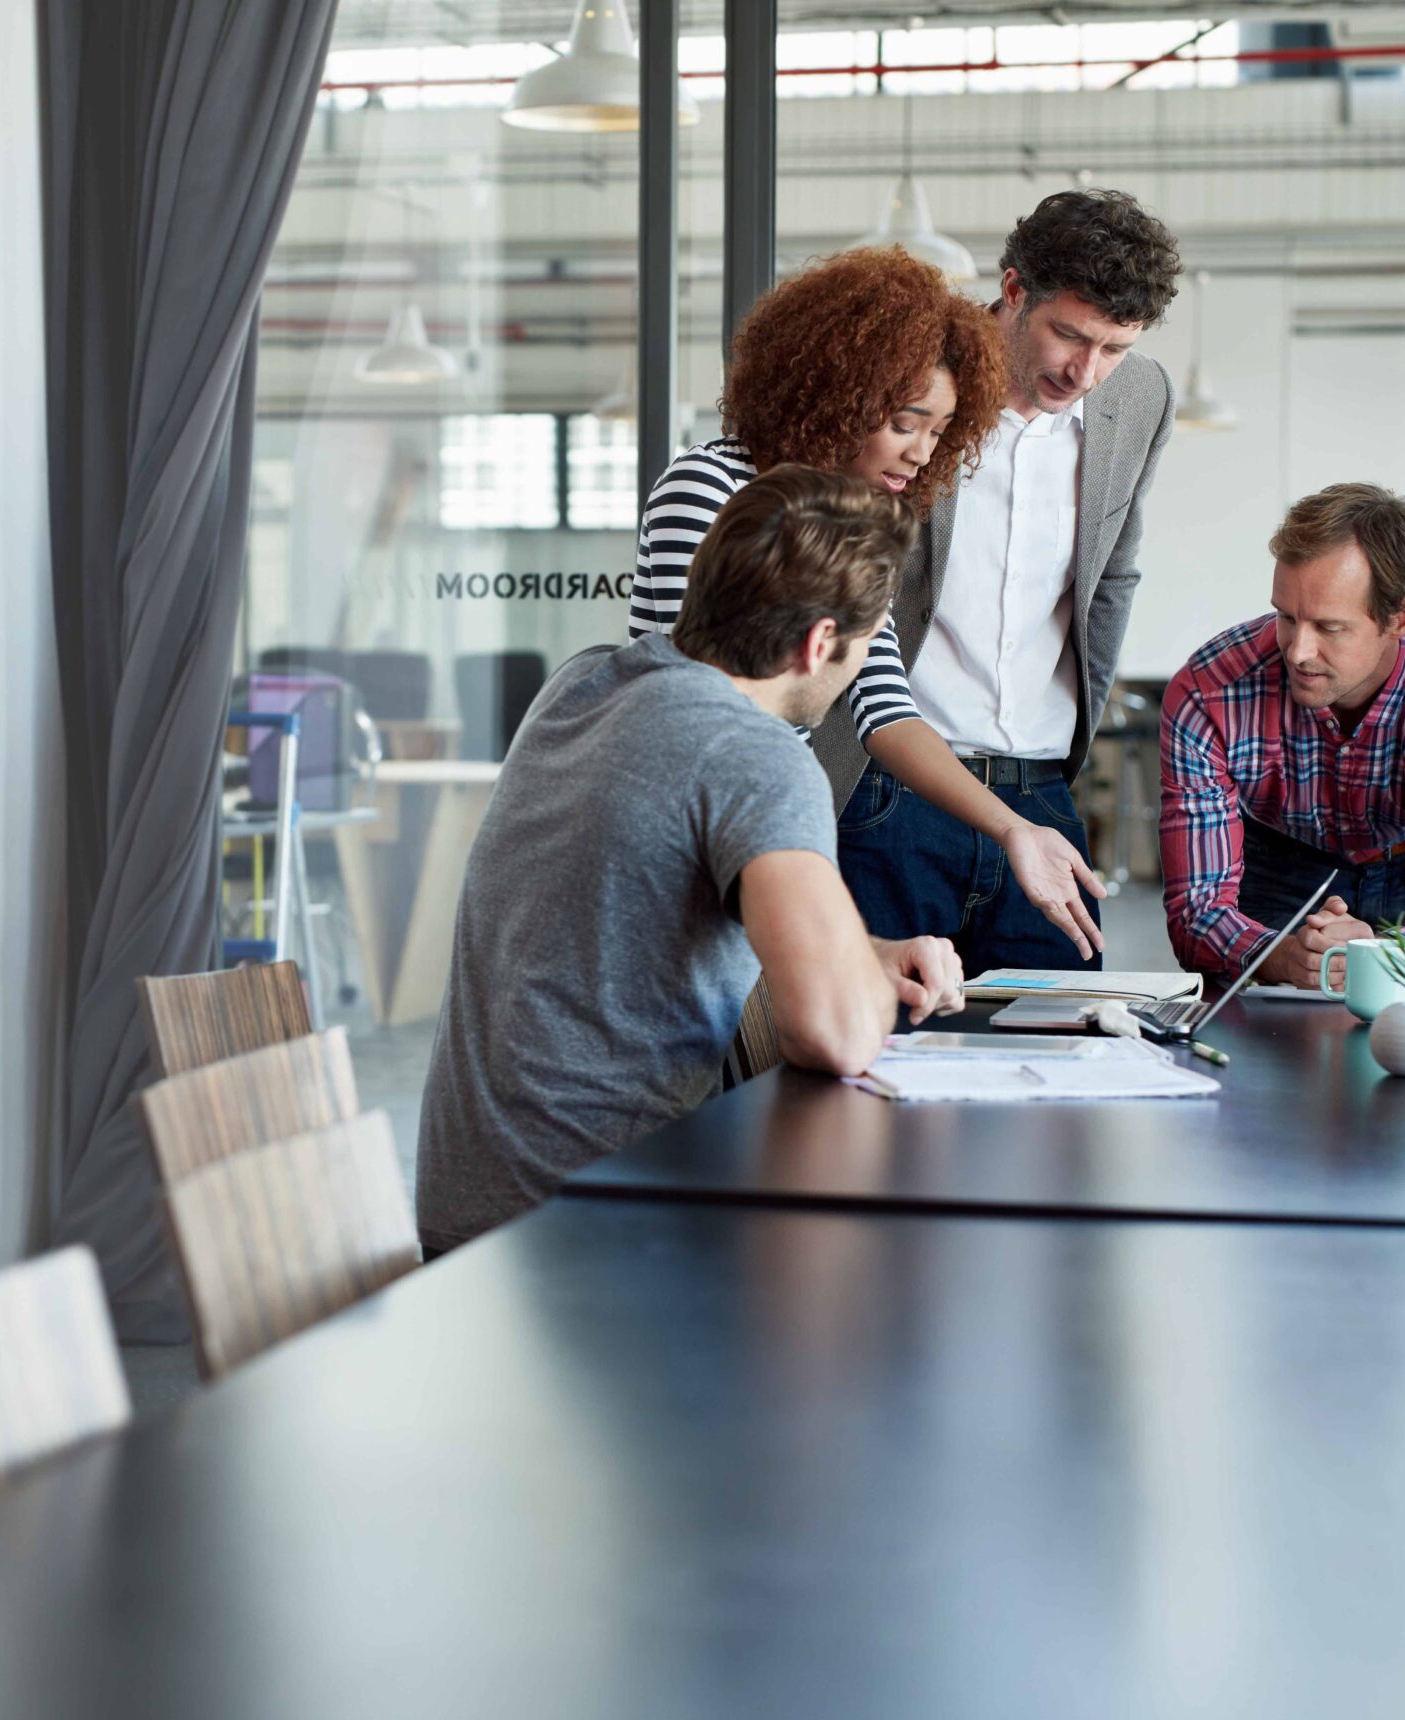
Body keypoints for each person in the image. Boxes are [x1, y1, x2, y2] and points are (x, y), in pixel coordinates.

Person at [420, 468, 967, 1252]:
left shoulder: (581, 685)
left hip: (468, 1217)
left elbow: (639, 916)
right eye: (866, 644)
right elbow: (837, 1035)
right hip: (598, 1232)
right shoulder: (757, 754)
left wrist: (865, 954)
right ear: (820, 644)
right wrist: (852, 979)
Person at [630, 248, 1123, 959]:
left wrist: (1014, 828)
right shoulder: (707, 485)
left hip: (761, 836)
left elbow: (886, 708)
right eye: (905, 422)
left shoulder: (856, 523)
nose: (923, 453)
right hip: (695, 841)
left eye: (939, 430)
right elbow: (696, 706)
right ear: (837, 396)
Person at [820, 189, 1183, 976]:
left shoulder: (1141, 398)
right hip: (889, 791)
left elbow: (1114, 571)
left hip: (1041, 794)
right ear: (1014, 290)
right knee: (877, 1064)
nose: (1087, 372)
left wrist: (1067, 754)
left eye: (1115, 347)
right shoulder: (917, 384)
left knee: (1059, 1063)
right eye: (1070, 336)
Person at [1159, 484, 1405, 987]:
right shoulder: (1209, 691)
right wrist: (1284, 957)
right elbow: (1197, 915)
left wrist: (1377, 956)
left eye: (1329, 627)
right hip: (1277, 865)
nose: (1297, 651)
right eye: (1287, 617)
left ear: (1401, 618)